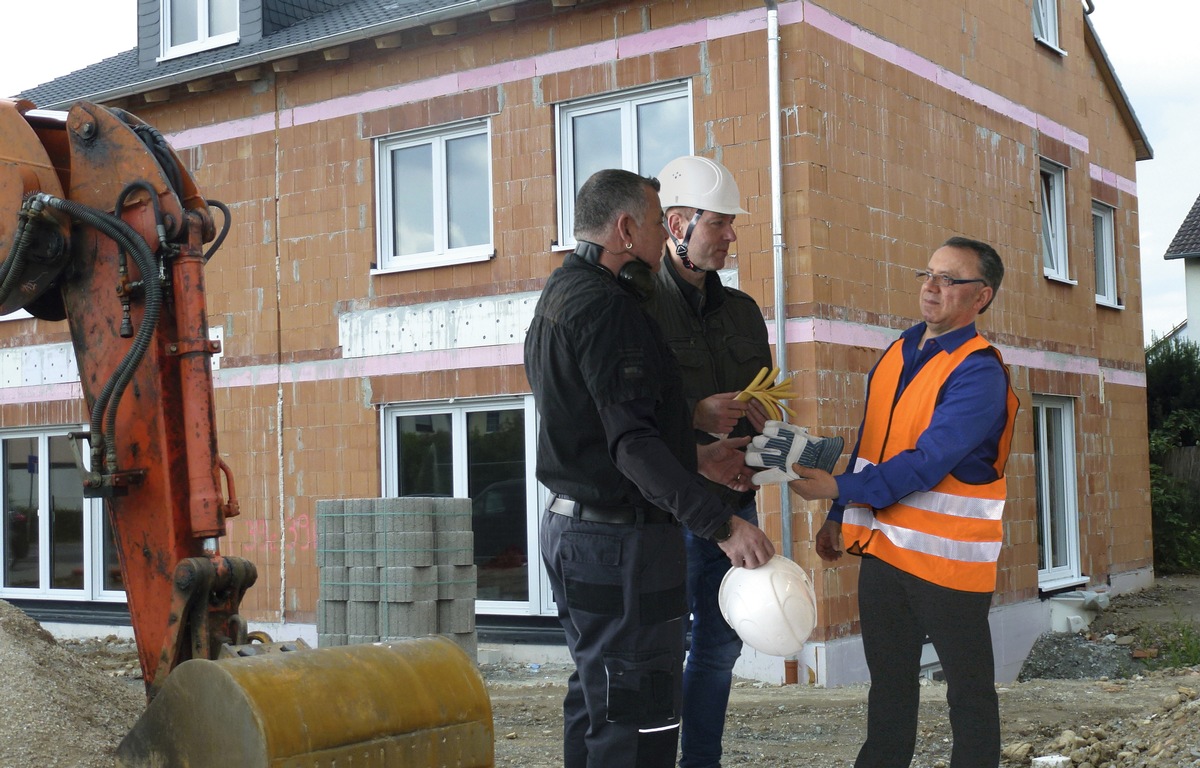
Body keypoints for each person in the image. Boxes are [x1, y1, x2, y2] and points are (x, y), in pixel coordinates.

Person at [524, 168, 776, 768]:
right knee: (637, 719)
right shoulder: (612, 309)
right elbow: (631, 445)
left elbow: (597, 430)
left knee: (599, 700)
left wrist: (695, 457)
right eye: (661, 221)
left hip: (579, 528)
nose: (667, 233)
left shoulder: (561, 292)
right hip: (619, 541)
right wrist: (723, 525)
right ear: (626, 227)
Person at [787, 236, 1020, 768]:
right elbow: (873, 447)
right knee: (889, 688)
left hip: (948, 564)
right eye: (928, 273)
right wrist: (838, 517)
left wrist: (838, 488)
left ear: (981, 297)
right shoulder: (899, 350)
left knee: (969, 694)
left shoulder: (981, 372)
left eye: (949, 279)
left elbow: (926, 461)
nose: (930, 287)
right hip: (885, 553)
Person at [642, 154, 773, 768]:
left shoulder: (743, 312)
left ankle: (701, 761)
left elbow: (761, 408)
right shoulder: (636, 306)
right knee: (657, 648)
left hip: (733, 504)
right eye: (720, 223)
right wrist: (696, 432)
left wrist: (772, 450)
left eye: (731, 223)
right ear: (677, 225)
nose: (731, 235)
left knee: (719, 647)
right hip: (666, 512)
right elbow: (628, 424)